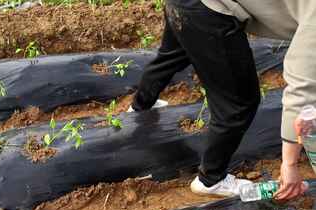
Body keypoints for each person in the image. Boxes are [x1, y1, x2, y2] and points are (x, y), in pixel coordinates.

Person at [129, 0, 314, 199]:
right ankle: (210, 179)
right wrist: (290, 165)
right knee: (238, 103)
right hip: (209, 8)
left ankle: (139, 107)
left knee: (173, 53)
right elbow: (301, 90)